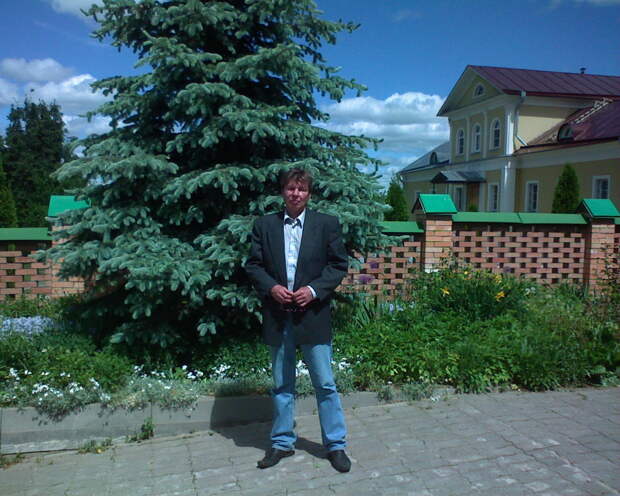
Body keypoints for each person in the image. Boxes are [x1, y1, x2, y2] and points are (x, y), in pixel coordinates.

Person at [245, 168, 351, 473]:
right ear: (283, 192)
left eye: (301, 189)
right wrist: (272, 288)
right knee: (282, 385)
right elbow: (253, 265)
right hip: (279, 317)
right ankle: (282, 442)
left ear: (309, 194)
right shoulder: (265, 225)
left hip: (313, 316)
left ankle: (335, 445)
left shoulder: (326, 224)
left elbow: (338, 264)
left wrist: (314, 290)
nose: (296, 194)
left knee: (325, 383)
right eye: (291, 188)